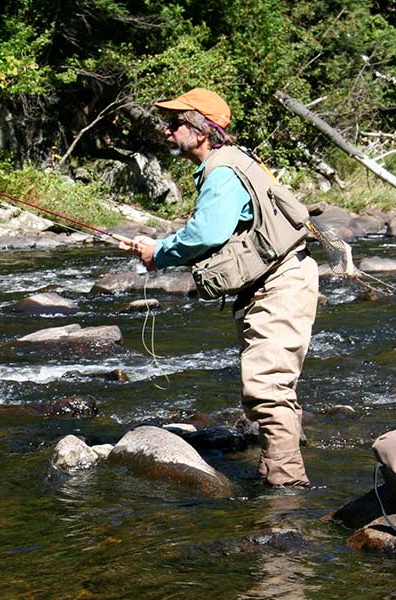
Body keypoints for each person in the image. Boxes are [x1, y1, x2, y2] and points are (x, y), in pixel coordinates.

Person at [121, 88, 318, 486]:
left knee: (266, 387)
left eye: (175, 123)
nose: (167, 130)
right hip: (281, 279)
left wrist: (158, 253)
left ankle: (288, 491)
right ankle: (276, 474)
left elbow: (207, 233)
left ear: (199, 129)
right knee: (273, 386)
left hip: (281, 282)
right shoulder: (237, 161)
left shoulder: (223, 170)